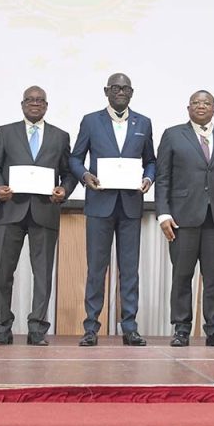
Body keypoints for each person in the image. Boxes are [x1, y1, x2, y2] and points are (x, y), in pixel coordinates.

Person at [69, 73, 155, 347]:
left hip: (130, 204)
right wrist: (85, 176)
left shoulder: (144, 122)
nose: (120, 92)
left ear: (132, 92)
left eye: (125, 88)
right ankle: (91, 327)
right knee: (97, 269)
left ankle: (129, 327)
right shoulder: (91, 120)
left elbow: (151, 161)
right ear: (106, 91)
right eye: (115, 88)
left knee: (129, 270)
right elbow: (74, 158)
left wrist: (148, 178)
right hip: (99, 204)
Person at [156, 90, 214, 347]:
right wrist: (163, 213)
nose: (201, 106)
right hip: (182, 218)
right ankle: (181, 329)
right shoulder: (173, 135)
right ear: (188, 108)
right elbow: (163, 179)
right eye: (196, 103)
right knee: (182, 275)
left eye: (206, 103)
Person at [0, 85, 77, 345]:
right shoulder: (6, 132)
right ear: (22, 104)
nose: (35, 104)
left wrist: (64, 190)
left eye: (40, 100)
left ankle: (37, 329)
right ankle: (2, 329)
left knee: (43, 274)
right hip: (10, 210)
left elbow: (68, 173)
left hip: (45, 210)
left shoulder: (60, 136)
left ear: (46, 106)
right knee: (3, 273)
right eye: (30, 100)